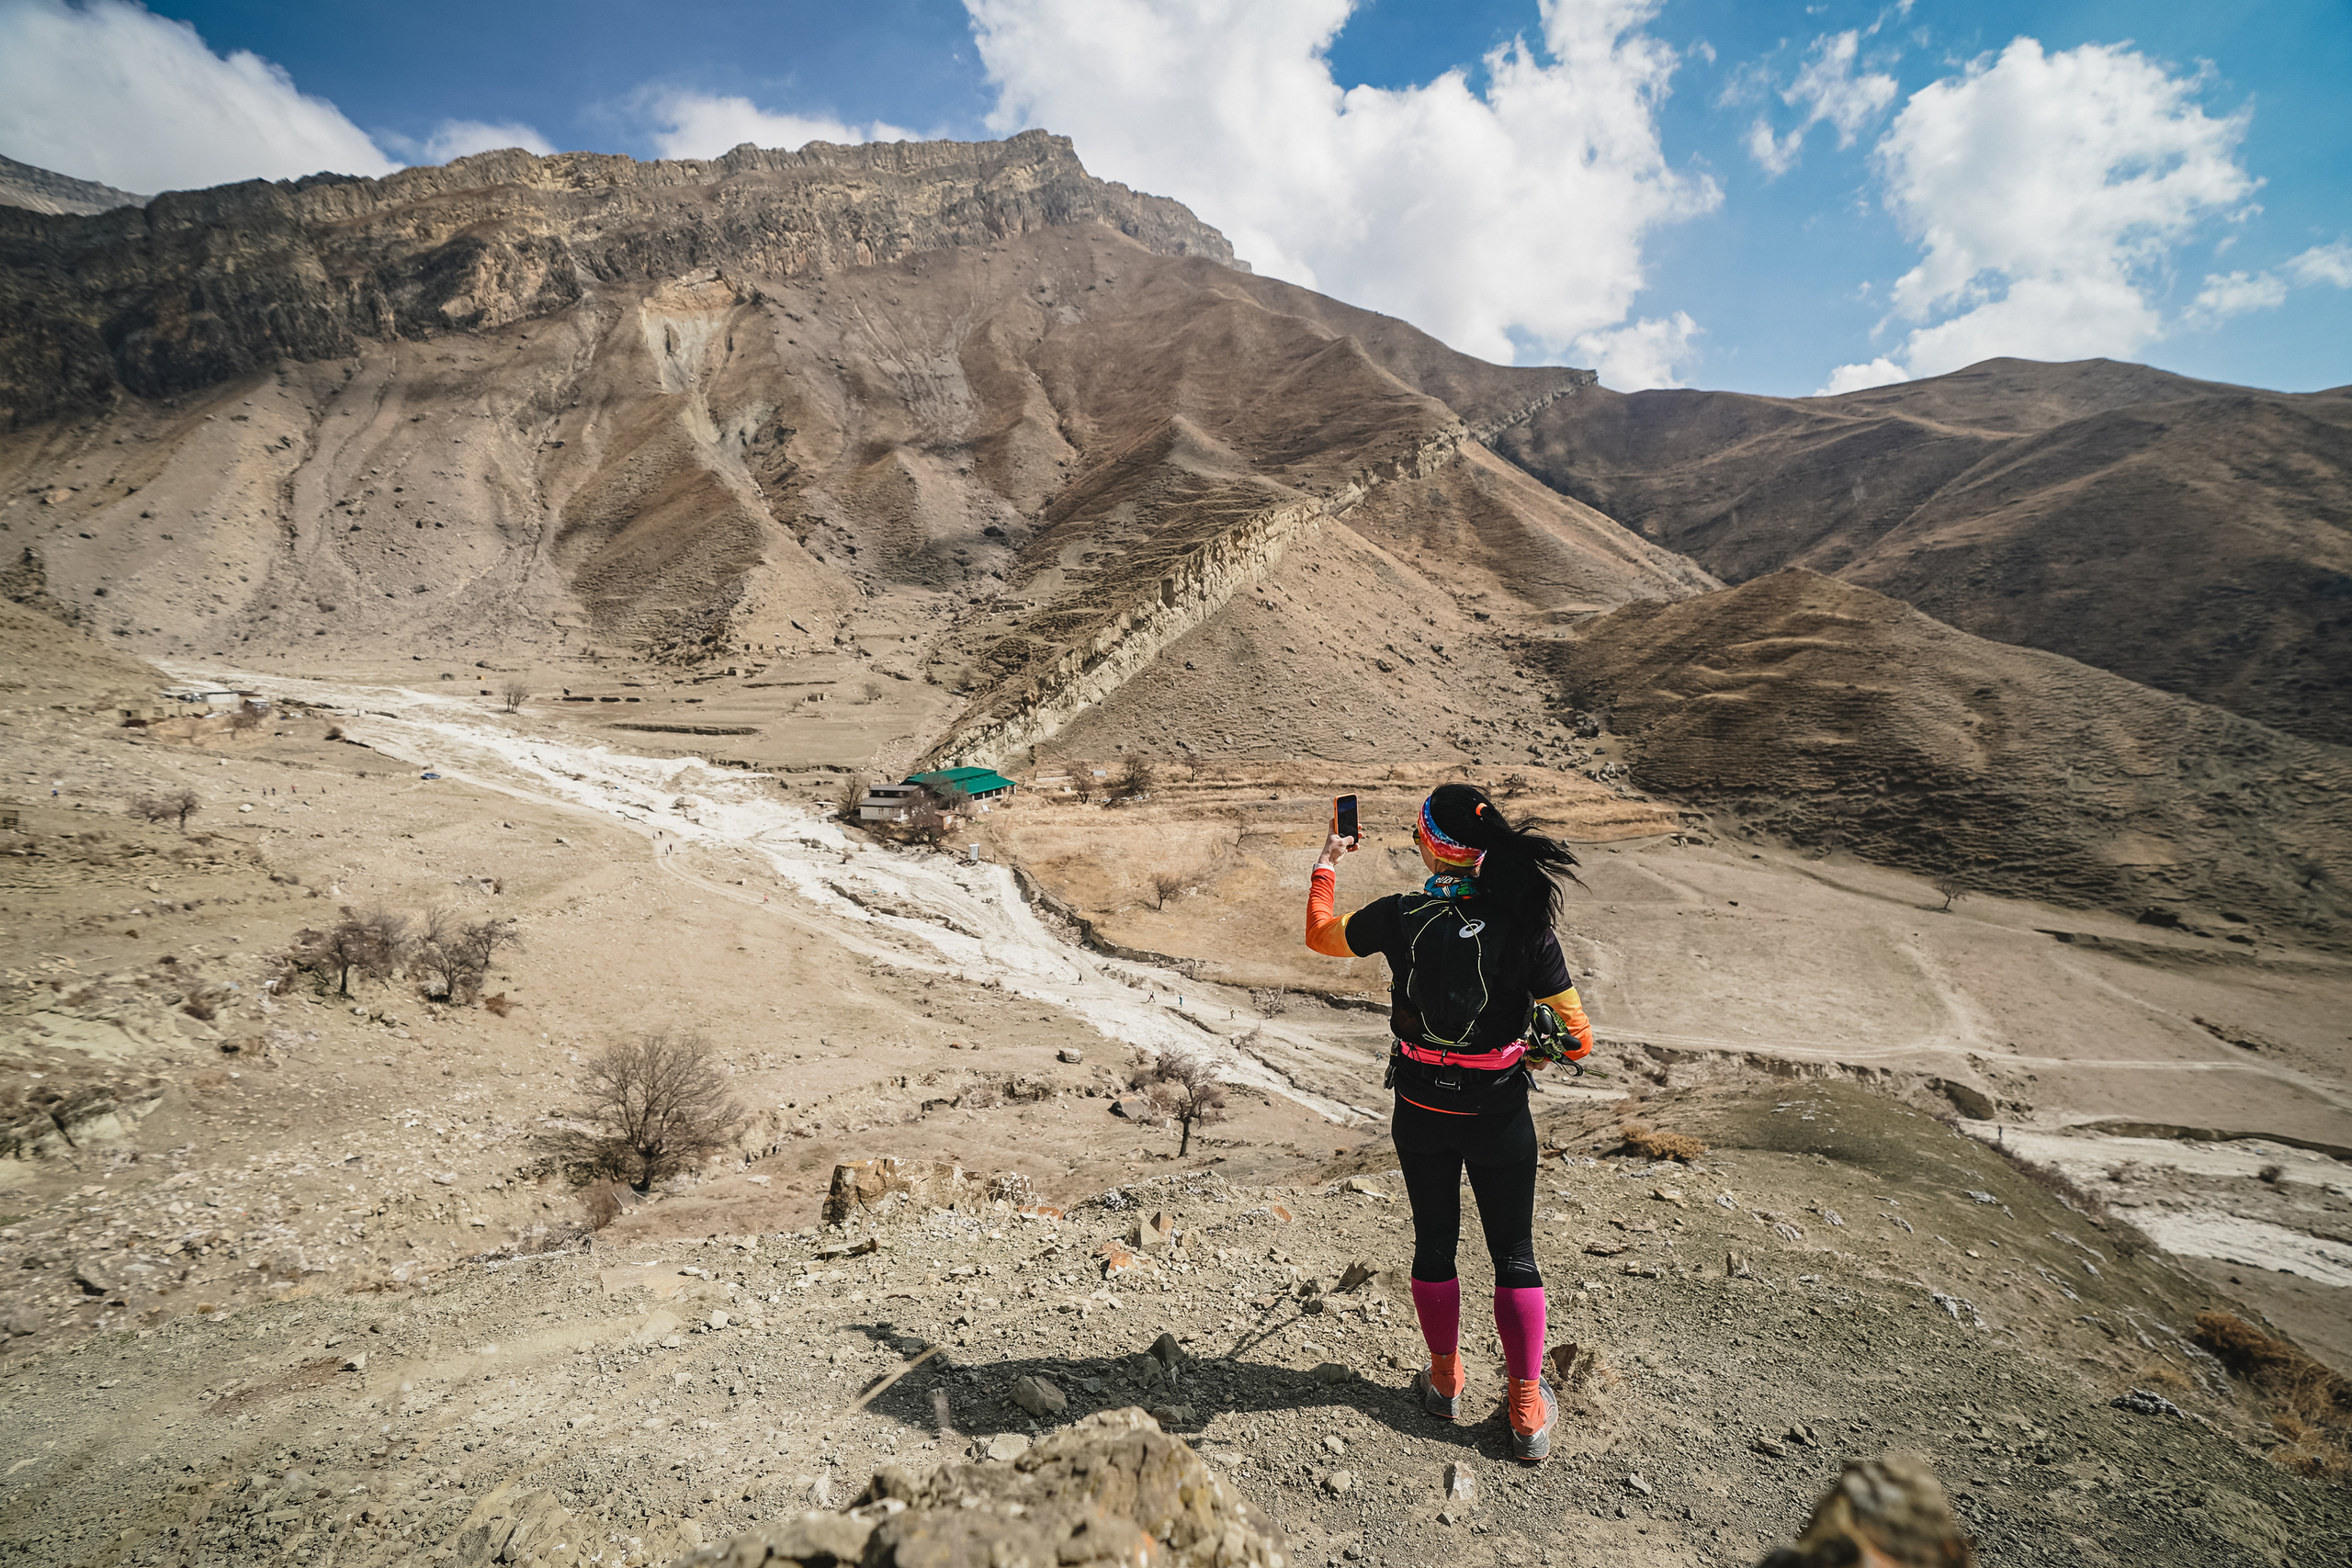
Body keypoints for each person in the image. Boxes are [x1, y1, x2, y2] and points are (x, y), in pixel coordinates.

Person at [1304, 783, 1595, 1461]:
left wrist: (1328, 858)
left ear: (1432, 844)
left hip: (1420, 1107)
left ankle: (1443, 1381)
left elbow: (1320, 935)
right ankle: (1526, 1412)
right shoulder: (1528, 926)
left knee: (1434, 1244)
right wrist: (1543, 1048)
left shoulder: (1401, 914)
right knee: (1514, 1255)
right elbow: (1577, 1038)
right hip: (1498, 1111)